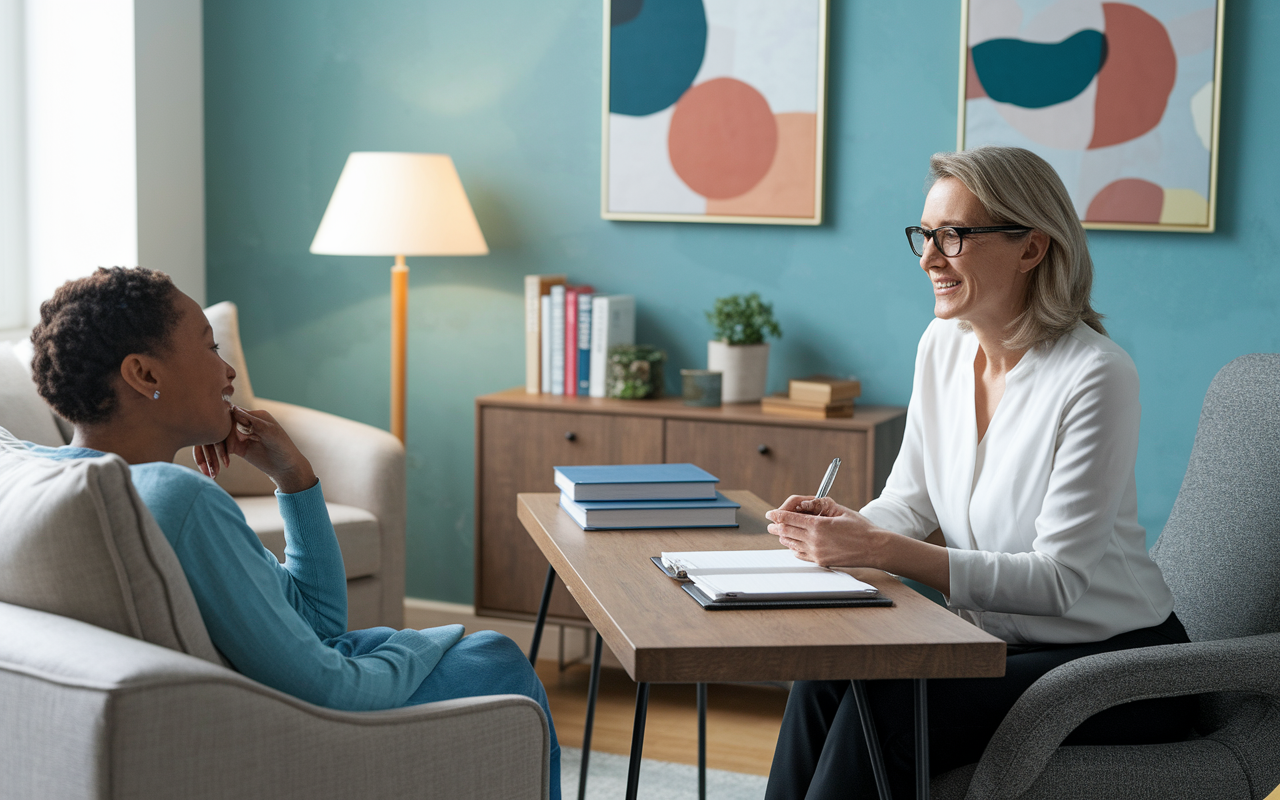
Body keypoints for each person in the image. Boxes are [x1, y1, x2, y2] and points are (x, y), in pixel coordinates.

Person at [25, 266, 561, 799]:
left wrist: (294, 478)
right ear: (145, 375)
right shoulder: (175, 500)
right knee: (492, 658)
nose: (228, 371)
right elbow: (333, 687)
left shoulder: (43, 480)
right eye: (210, 349)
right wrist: (430, 642)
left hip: (241, 709)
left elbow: (317, 623)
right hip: (290, 732)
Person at [763, 146, 1193, 799]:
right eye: (926, 235)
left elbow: (1058, 581)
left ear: (1032, 248)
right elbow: (907, 504)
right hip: (994, 647)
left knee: (889, 711)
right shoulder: (942, 345)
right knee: (831, 672)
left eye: (955, 236)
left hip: (1119, 667)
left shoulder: (1096, 376)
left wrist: (880, 549)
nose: (930, 258)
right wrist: (837, 537)